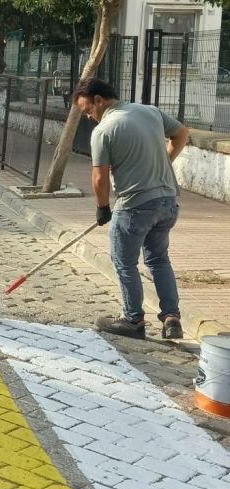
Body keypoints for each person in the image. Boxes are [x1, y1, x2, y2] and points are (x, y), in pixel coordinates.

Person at [74, 78, 189, 340]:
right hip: (167, 202)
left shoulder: (104, 131)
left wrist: (102, 208)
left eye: (88, 110)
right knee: (159, 259)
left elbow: (100, 178)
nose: (90, 117)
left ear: (99, 100)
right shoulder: (149, 111)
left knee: (124, 262)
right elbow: (182, 133)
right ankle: (171, 317)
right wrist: (164, 163)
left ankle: (133, 319)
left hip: (135, 206)